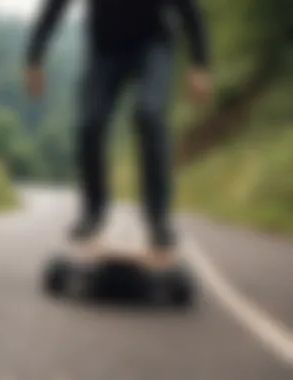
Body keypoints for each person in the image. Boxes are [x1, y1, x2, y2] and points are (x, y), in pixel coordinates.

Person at [25, 0, 212, 265]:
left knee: (149, 114)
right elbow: (56, 6)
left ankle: (158, 220)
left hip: (153, 45)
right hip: (105, 50)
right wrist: (35, 56)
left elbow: (189, 10)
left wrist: (199, 63)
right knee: (90, 123)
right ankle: (93, 213)